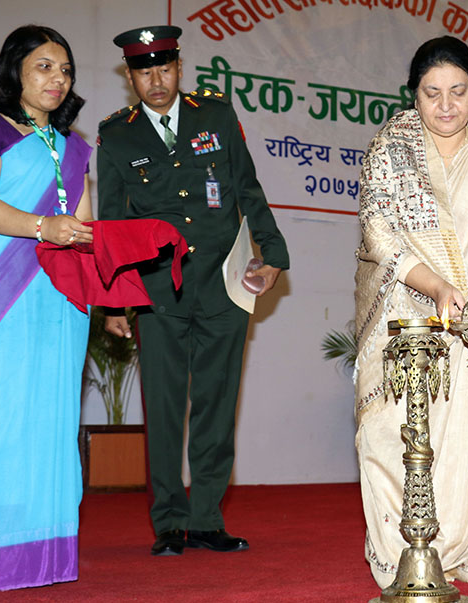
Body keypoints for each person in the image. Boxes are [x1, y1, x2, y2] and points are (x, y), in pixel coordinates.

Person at [97, 25, 289, 557]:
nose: (155, 80)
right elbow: (112, 223)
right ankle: (168, 523)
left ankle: (206, 517)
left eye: (164, 68)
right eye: (143, 71)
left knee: (216, 403)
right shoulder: (117, 136)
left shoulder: (216, 115)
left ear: (180, 68)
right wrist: (115, 300)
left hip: (224, 285)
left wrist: (272, 255)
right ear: (130, 76)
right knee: (162, 410)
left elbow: (248, 189)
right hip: (159, 292)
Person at [354, 36, 468, 587]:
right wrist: (434, 287)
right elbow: (378, 232)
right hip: (403, 313)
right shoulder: (391, 147)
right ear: (414, 96)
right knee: (389, 436)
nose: (447, 105)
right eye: (432, 93)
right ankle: (399, 556)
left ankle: (458, 552)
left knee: (466, 440)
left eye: (458, 91)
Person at [0, 25, 94, 589]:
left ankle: (43, 556)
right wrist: (42, 227)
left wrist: (107, 285)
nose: (57, 79)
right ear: (15, 71)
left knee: (51, 416)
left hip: (61, 292)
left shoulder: (76, 146)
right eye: (44, 67)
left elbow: (82, 227)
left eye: (66, 70)